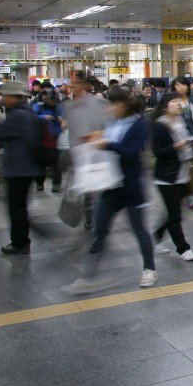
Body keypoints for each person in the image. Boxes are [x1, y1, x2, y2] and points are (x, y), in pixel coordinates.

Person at [69, 86, 156, 291]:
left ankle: (149, 269)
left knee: (139, 230)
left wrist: (107, 144)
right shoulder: (110, 124)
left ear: (125, 104)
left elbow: (131, 153)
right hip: (110, 187)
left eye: (115, 104)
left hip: (131, 188)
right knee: (99, 232)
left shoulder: (138, 125)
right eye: (110, 105)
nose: (112, 109)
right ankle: (88, 276)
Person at [0, 81, 41, 255]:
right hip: (23, 167)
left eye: (5, 95)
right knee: (18, 207)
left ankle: (20, 242)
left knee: (16, 208)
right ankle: (21, 240)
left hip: (20, 169)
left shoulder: (19, 116)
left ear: (14, 97)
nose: (2, 99)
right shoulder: (23, 113)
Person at [151, 92, 193, 262]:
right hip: (167, 177)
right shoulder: (160, 125)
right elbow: (157, 152)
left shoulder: (180, 121)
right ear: (165, 105)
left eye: (180, 101)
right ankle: (183, 248)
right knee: (175, 214)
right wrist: (175, 147)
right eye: (174, 101)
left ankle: (157, 235)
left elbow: (186, 142)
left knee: (175, 210)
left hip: (183, 173)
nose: (179, 104)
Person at [63, 71, 111, 229]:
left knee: (96, 190)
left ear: (85, 86)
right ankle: (91, 219)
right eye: (73, 84)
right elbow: (68, 129)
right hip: (78, 154)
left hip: (97, 153)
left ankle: (97, 219)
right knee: (86, 190)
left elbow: (110, 124)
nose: (74, 87)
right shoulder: (70, 106)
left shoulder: (100, 103)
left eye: (77, 84)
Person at [171, 77, 193, 208]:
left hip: (190, 138)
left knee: (191, 168)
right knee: (177, 168)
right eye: (178, 85)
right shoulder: (170, 101)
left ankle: (191, 195)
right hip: (175, 138)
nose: (181, 87)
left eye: (183, 84)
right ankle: (179, 194)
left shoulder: (192, 102)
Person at [33, 89, 65, 193]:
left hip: (55, 140)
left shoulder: (58, 107)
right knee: (40, 165)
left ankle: (56, 185)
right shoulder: (39, 106)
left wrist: (61, 120)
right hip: (41, 140)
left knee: (57, 165)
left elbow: (64, 118)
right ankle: (39, 183)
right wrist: (43, 117)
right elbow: (33, 118)